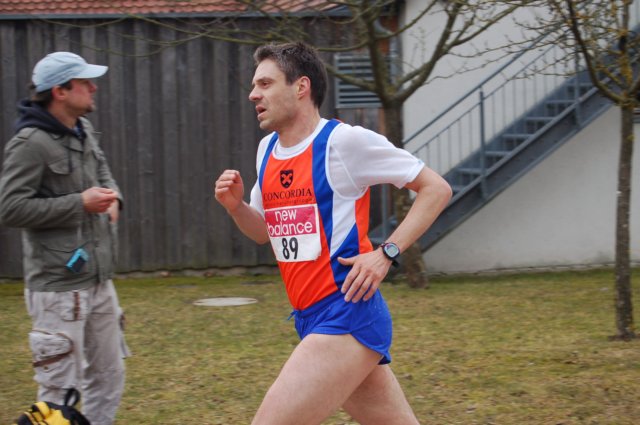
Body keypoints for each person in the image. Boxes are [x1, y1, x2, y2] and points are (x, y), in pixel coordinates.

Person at [214, 42, 452, 425]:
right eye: (254, 85)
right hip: (309, 317)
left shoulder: (344, 142)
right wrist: (236, 207)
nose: (253, 94)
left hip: (346, 313)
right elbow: (263, 233)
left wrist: (386, 253)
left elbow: (436, 188)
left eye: (265, 83)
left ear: (301, 87)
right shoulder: (267, 150)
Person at [0, 52, 127, 425]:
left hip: (99, 280)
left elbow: (103, 171)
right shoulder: (29, 143)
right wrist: (79, 203)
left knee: (109, 375)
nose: (93, 88)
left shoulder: (82, 129)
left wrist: (114, 197)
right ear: (60, 91)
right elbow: (9, 208)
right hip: (57, 290)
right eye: (85, 82)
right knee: (58, 392)